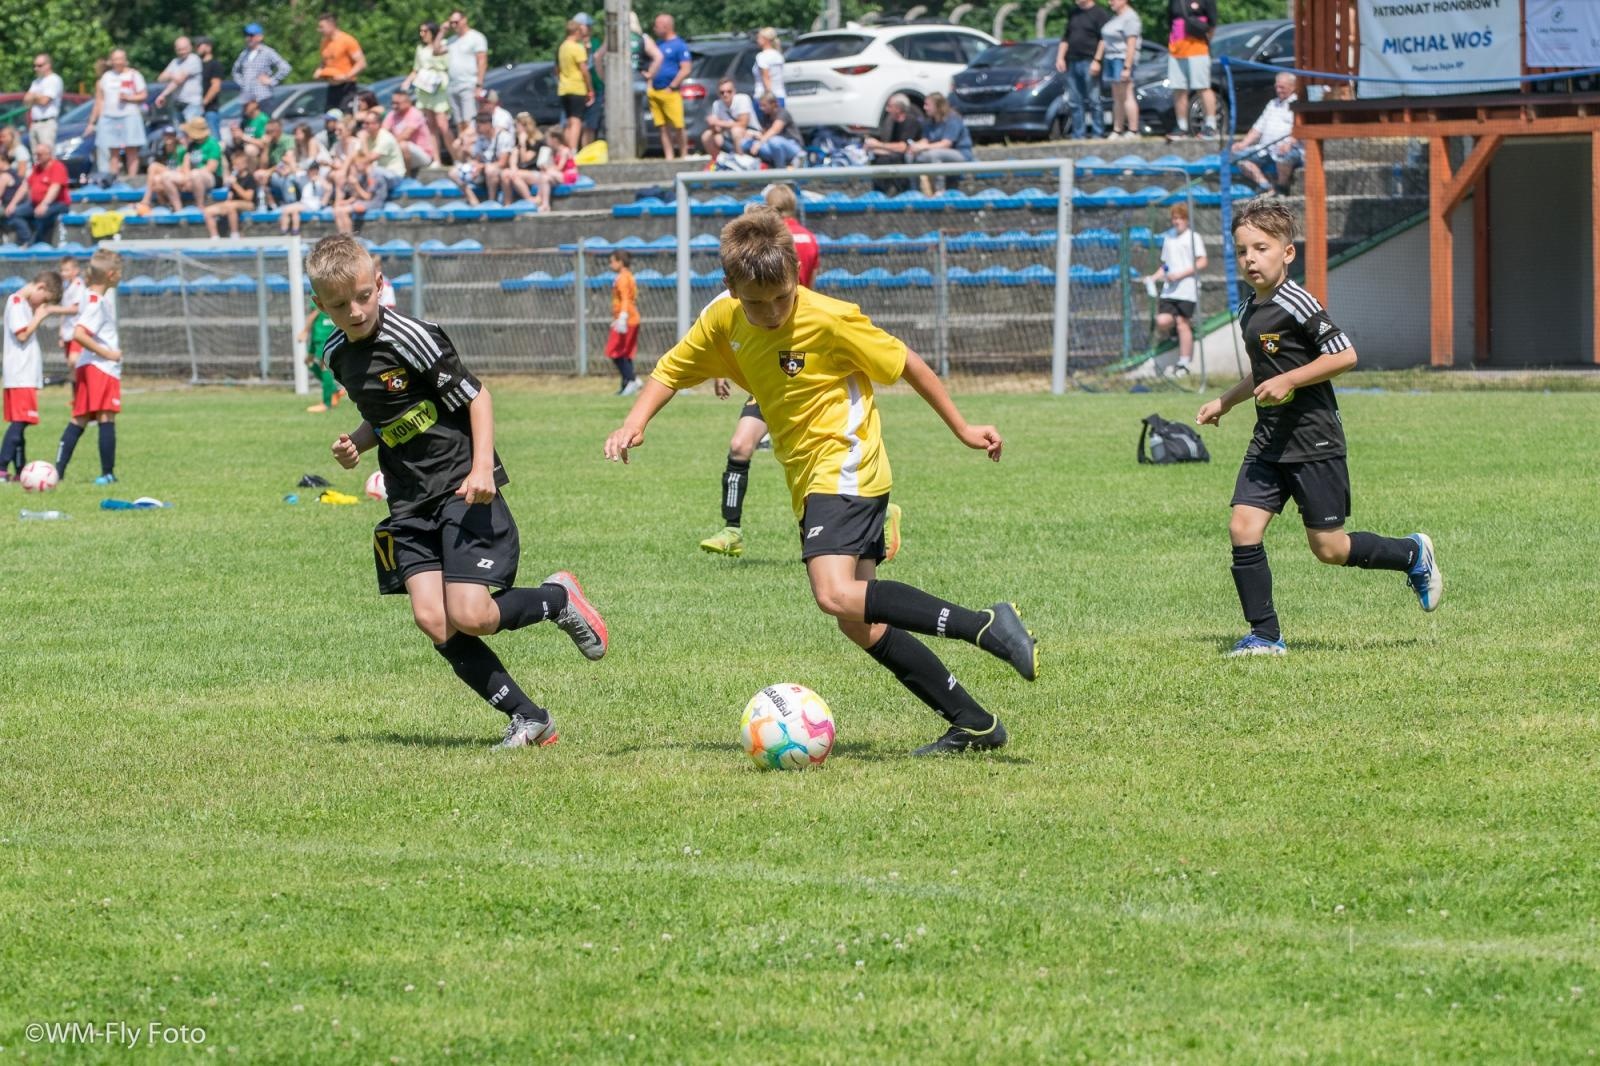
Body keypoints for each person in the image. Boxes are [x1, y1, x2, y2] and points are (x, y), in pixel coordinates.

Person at [605, 208, 1036, 756]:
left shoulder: (830, 318)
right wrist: (633, 424)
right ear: (730, 289)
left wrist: (963, 428)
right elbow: (670, 369)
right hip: (809, 478)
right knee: (857, 620)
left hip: (847, 462)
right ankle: (974, 722)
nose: (771, 312)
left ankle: (987, 624)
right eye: (756, 303)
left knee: (833, 594)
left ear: (796, 276)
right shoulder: (723, 321)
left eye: (782, 298)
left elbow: (907, 363)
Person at [309, 234, 609, 748]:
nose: (355, 311)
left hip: (461, 486)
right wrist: (356, 443)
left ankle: (557, 598)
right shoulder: (337, 352)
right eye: (339, 305)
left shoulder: (413, 338)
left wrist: (482, 469)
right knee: (432, 618)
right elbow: (381, 414)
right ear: (321, 307)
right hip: (408, 499)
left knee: (471, 615)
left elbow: (478, 396)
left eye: (363, 296)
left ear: (379, 284)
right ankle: (529, 717)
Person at [1195, 197, 1441, 657]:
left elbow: (1345, 354)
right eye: (1243, 250)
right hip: (1269, 439)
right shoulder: (1251, 308)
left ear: (1287, 253)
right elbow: (1265, 371)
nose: (1251, 258)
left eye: (1262, 248)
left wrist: (1290, 379)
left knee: (1328, 548)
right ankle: (1266, 637)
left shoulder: (1299, 302)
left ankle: (1411, 554)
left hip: (1314, 440)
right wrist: (1225, 402)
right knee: (1242, 526)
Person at [698, 183, 840, 562]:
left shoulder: (768, 253)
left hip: (795, 358)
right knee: (741, 445)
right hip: (767, 356)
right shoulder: (810, 240)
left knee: (807, 458)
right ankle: (732, 529)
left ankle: (859, 523)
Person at [55, 248, 124, 485]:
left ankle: (58, 471)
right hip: (101, 367)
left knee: (80, 418)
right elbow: (80, 333)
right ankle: (107, 473)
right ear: (111, 274)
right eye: (120, 272)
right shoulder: (96, 302)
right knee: (106, 416)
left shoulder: (88, 295)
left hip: (89, 366)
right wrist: (109, 354)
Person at [0, 270, 64, 481]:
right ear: (40, 287)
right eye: (43, 300)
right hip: (20, 375)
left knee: (21, 423)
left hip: (23, 375)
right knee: (19, 422)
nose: (40, 306)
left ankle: (20, 471)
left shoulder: (25, 304)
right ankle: (1, 467)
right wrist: (38, 318)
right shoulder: (17, 302)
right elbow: (22, 334)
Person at [1143, 202, 1206, 374]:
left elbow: (1202, 261)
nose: (1177, 221)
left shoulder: (1194, 237)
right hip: (1170, 289)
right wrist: (1154, 277)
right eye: (1174, 218)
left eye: (1180, 218)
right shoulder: (1169, 237)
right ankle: (1174, 333)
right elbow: (1166, 265)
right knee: (1162, 320)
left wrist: (1181, 274)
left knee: (1182, 323)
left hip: (1187, 288)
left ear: (1187, 220)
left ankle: (1183, 363)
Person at [1233, 73, 1302, 196]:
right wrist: (1243, 143)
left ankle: (1282, 187)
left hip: (1288, 148)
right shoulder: (1272, 104)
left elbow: (1300, 128)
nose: (1278, 90)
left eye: (1282, 87)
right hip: (1266, 149)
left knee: (1285, 157)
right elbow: (1258, 128)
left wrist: (1289, 144)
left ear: (1292, 87)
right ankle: (1266, 186)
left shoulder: (1298, 104)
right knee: (1239, 157)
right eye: (1277, 87)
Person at [86, 49, 148, 178]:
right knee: (113, 150)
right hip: (109, 117)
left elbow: (143, 95)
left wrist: (129, 98)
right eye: (115, 59)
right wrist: (93, 121)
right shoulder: (106, 77)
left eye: (120, 59)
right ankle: (113, 179)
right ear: (111, 61)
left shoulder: (134, 75)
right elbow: (99, 100)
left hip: (130, 115)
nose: (118, 62)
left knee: (131, 149)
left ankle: (132, 179)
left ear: (125, 60)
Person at [1055, 0, 1109, 140]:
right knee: (1074, 101)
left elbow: (1104, 40)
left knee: (1094, 99)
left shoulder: (1099, 13)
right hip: (1072, 61)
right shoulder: (1074, 13)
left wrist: (1097, 60)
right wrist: (1060, 57)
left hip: (1089, 60)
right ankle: (1078, 134)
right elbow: (1066, 37)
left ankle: (1098, 133)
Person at [1165, 0, 1218, 140]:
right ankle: (1182, 127)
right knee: (1178, 89)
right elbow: (1170, 21)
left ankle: (1211, 126)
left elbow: (1212, 24)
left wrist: (1205, 43)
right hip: (1176, 50)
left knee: (1203, 87)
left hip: (1198, 50)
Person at [405, 21, 455, 162]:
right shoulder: (420, 48)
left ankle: (455, 157)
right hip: (424, 87)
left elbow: (447, 65)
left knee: (443, 125)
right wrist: (407, 82)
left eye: (425, 31)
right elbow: (416, 68)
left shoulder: (443, 45)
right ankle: (437, 159)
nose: (422, 34)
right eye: (421, 31)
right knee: (431, 126)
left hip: (439, 87)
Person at [4, 141, 70, 246]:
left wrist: (44, 204)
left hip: (57, 203)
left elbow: (55, 188)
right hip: (35, 203)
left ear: (49, 154)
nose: (37, 157)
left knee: (42, 214)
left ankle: (38, 243)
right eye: (36, 154)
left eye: (40, 154)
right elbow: (25, 186)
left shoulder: (58, 167)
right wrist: (13, 203)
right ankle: (26, 240)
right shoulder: (37, 168)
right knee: (14, 213)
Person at [645, 13, 692, 160]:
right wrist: (649, 85)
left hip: (671, 92)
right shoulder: (657, 45)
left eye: (657, 25)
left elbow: (686, 68)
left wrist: (672, 86)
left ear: (666, 26)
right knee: (662, 126)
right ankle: (669, 156)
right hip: (655, 91)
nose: (654, 28)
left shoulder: (679, 45)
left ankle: (683, 154)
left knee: (678, 125)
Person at [907, 92, 972, 192]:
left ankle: (939, 190)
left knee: (934, 154)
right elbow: (925, 140)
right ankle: (914, 190)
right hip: (935, 151)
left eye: (927, 105)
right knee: (910, 155)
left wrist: (924, 147)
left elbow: (946, 144)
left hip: (960, 153)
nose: (924, 107)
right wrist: (915, 146)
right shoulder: (930, 122)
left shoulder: (953, 119)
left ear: (937, 106)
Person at [863, 93, 922, 193]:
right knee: (877, 158)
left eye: (890, 106)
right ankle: (879, 194)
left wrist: (877, 144)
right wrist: (872, 148)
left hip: (908, 155)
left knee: (886, 161)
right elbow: (889, 145)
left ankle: (896, 191)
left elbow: (903, 147)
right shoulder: (891, 122)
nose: (887, 109)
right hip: (894, 154)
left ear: (898, 109)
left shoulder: (911, 122)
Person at [451, 112, 513, 206]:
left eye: (479, 126)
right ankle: (473, 200)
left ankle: (491, 201)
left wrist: (483, 166)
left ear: (488, 124)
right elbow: (477, 158)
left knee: (490, 170)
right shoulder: (480, 137)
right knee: (453, 172)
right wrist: (474, 164)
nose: (476, 128)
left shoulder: (503, 136)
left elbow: (503, 163)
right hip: (483, 170)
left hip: (499, 171)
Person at [1101, 0, 1142, 138]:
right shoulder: (1115, 17)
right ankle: (1117, 129)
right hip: (1111, 58)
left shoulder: (1131, 17)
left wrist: (1127, 66)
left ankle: (1133, 130)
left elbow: (1131, 44)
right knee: (1117, 97)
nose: (1110, 2)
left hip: (1123, 59)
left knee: (1127, 95)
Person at [204, 147, 264, 238]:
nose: (235, 166)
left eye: (238, 164)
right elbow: (231, 196)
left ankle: (234, 234)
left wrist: (235, 185)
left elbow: (249, 197)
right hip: (233, 203)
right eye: (234, 164)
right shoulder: (234, 177)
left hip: (249, 204)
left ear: (245, 164)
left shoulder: (249, 178)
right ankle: (214, 237)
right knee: (208, 211)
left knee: (231, 206)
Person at [314, 12, 367, 115]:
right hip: (332, 86)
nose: (320, 30)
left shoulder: (347, 40)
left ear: (331, 25)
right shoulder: (325, 42)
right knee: (330, 117)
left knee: (346, 117)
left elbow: (361, 63)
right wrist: (319, 70)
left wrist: (346, 76)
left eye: (322, 27)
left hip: (346, 86)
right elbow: (324, 61)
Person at [445, 9, 489, 128]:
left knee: (470, 121)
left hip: (469, 84)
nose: (454, 25)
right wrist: (442, 31)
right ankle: (464, 146)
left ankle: (471, 146)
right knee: (460, 123)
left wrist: (479, 85)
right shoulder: (451, 40)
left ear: (464, 20)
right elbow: (435, 51)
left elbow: (482, 61)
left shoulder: (476, 37)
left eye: (456, 22)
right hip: (453, 85)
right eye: (451, 23)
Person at [557, 16, 595, 152]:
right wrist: (590, 89)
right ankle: (573, 150)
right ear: (577, 32)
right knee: (576, 120)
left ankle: (566, 149)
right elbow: (584, 70)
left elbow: (558, 69)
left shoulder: (562, 47)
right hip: (577, 88)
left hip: (563, 88)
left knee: (568, 121)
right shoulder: (576, 48)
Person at [232, 23, 293, 107]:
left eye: (251, 35)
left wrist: (272, 81)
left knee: (266, 119)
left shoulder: (267, 52)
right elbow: (235, 71)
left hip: (263, 97)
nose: (248, 38)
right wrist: (242, 83)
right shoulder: (244, 54)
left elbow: (286, 67)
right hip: (247, 99)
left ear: (260, 37)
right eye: (246, 35)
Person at [299, 299, 343, 412]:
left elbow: (315, 313)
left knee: (324, 367)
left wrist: (304, 331)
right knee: (308, 361)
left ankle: (327, 403)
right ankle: (335, 390)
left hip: (324, 334)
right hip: (319, 335)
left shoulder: (317, 286)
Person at [606, 250, 640, 395]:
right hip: (629, 318)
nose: (610, 264)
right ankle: (627, 384)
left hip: (627, 319)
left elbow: (625, 298)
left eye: (612, 261)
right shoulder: (628, 276)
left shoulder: (623, 278)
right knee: (625, 353)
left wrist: (623, 316)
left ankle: (632, 380)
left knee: (614, 351)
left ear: (620, 262)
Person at [701, 80, 758, 163]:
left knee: (736, 130)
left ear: (734, 91)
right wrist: (712, 124)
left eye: (729, 91)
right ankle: (717, 162)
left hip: (751, 133)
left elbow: (743, 123)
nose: (725, 94)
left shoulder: (743, 99)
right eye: (722, 92)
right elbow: (717, 128)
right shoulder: (717, 104)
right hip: (729, 136)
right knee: (706, 135)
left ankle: (740, 162)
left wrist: (717, 122)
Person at [332, 154, 389, 234]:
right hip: (364, 201)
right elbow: (358, 196)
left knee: (343, 211)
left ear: (364, 163)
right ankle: (342, 236)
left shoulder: (374, 175)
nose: (355, 167)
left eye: (356, 165)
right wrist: (346, 202)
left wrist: (356, 185)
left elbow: (368, 197)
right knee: (337, 210)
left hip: (374, 203)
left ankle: (348, 238)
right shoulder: (363, 175)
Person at [743, 94, 803, 168]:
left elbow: (774, 131)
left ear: (773, 104)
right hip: (774, 147)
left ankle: (780, 171)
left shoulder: (782, 113)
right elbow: (764, 134)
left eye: (764, 105)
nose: (761, 108)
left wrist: (759, 144)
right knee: (746, 143)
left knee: (774, 141)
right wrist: (754, 135)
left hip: (793, 147)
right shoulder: (766, 116)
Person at [385, 90, 437, 175]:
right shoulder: (392, 115)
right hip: (400, 151)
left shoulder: (415, 114)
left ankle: (407, 176)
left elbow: (405, 135)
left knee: (403, 145)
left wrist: (387, 147)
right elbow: (383, 132)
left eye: (397, 103)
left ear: (407, 102)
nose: (394, 106)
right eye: (392, 103)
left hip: (424, 155)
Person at [154, 36, 205, 121]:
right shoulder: (175, 62)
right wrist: (173, 75)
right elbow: (160, 78)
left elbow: (179, 80)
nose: (182, 52)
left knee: (193, 132)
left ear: (190, 47)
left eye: (184, 49)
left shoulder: (194, 59)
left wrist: (163, 95)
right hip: (177, 103)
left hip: (192, 103)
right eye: (179, 49)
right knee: (180, 133)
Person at [57, 255, 84, 398]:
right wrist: (60, 333)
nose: (63, 273)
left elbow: (74, 309)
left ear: (76, 271)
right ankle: (77, 400)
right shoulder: (66, 288)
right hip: (67, 332)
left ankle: (84, 398)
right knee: (72, 368)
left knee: (75, 362)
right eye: (62, 270)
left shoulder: (79, 285)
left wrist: (51, 309)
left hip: (77, 332)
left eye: (66, 270)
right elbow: (64, 312)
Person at [25, 53, 65, 149]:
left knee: (46, 156)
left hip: (47, 123)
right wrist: (37, 96)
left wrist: (33, 96)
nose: (36, 68)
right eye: (35, 66)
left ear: (48, 65)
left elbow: (44, 101)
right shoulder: (36, 82)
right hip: (34, 123)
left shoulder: (54, 79)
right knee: (36, 158)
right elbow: (25, 100)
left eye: (39, 65)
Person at [279, 160, 327, 236]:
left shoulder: (321, 179)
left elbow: (329, 189)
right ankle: (294, 233)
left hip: (313, 204)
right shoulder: (303, 176)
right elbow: (295, 171)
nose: (311, 171)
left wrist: (319, 180)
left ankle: (283, 233)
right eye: (310, 169)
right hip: (304, 203)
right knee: (295, 213)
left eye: (313, 169)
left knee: (286, 210)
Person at [358, 109, 407, 185]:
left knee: (371, 171)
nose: (364, 126)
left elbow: (369, 159)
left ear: (377, 124)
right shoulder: (368, 137)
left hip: (395, 175)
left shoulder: (385, 138)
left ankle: (368, 195)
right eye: (363, 123)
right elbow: (358, 158)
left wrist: (363, 141)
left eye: (367, 123)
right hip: (380, 173)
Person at [195, 38, 226, 141]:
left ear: (209, 47)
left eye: (200, 45)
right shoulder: (197, 65)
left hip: (210, 109)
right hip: (197, 109)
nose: (197, 48)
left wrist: (204, 102)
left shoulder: (215, 65)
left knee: (214, 139)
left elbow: (215, 87)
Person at [753, 27, 786, 107]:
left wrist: (769, 97)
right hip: (780, 95)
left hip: (764, 98)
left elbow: (766, 77)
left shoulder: (762, 56)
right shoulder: (778, 55)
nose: (757, 40)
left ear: (766, 39)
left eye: (759, 37)